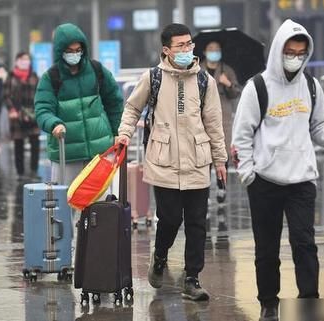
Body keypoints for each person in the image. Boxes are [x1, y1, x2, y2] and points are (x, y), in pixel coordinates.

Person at [231, 19, 324, 321]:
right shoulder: (258, 87)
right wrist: (249, 174)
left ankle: (308, 303)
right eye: (290, 51)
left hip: (302, 180)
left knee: (305, 244)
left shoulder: (312, 87)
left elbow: (320, 128)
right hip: (264, 181)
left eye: (301, 53)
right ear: (279, 50)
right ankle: (268, 304)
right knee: (267, 250)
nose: (295, 57)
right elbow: (242, 135)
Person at [116, 23, 227, 301]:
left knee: (197, 222)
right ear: (166, 50)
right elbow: (132, 108)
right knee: (170, 219)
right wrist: (124, 135)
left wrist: (220, 160)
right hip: (163, 161)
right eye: (181, 46)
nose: (187, 49)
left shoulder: (205, 81)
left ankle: (192, 279)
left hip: (198, 161)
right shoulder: (152, 78)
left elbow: (214, 123)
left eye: (189, 44)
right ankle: (160, 256)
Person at [34, 23, 123, 185]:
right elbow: (42, 109)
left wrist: (118, 131)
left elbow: (114, 102)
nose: (75, 54)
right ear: (60, 51)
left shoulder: (97, 70)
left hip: (100, 151)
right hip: (67, 153)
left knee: (101, 205)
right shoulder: (51, 77)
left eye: (78, 50)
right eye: (69, 51)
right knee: (67, 203)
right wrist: (54, 124)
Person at [200, 40, 241, 202]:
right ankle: (204, 191)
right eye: (211, 49)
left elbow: (236, 92)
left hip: (223, 117)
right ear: (204, 51)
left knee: (222, 154)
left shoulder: (227, 70)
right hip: (202, 117)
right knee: (204, 155)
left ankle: (221, 188)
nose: (214, 52)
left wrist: (228, 84)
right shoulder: (198, 69)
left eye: (217, 49)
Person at [4, 51, 40, 180]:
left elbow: (40, 94)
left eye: (27, 59)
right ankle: (20, 173)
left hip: (32, 114)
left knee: (35, 144)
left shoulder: (34, 76)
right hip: (17, 115)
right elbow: (6, 95)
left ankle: (34, 171)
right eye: (22, 59)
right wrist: (11, 110)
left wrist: (38, 110)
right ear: (17, 61)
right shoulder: (11, 76)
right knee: (18, 144)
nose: (25, 61)